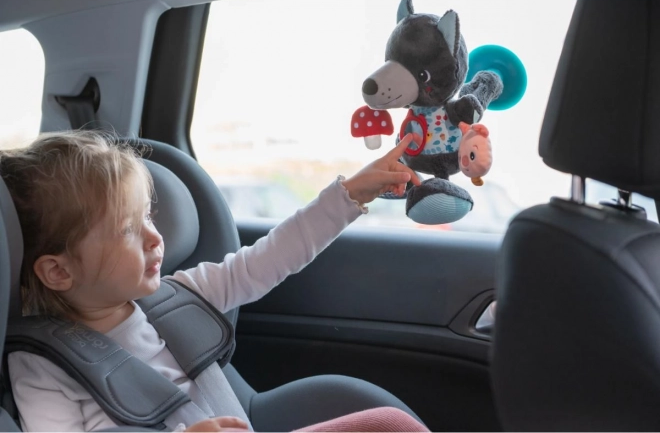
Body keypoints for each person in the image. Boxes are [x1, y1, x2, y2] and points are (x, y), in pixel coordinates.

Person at [0, 130, 426, 432]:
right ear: (59, 271)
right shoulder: (42, 364)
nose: (155, 237)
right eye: (128, 229)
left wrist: (350, 194)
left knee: (389, 425)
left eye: (148, 215)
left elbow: (269, 259)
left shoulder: (179, 298)